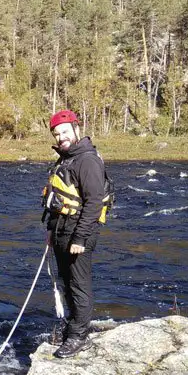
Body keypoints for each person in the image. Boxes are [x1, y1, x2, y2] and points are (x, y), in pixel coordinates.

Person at [42, 110, 108, 358]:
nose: (61, 137)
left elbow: (94, 203)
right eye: (57, 134)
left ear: (76, 129)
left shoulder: (87, 161)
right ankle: (74, 327)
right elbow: (56, 198)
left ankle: (79, 336)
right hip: (61, 230)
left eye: (65, 132)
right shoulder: (65, 159)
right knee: (67, 283)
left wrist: (80, 238)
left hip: (80, 233)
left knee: (79, 285)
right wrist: (51, 230)